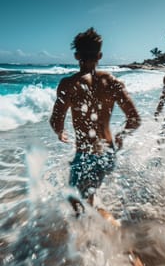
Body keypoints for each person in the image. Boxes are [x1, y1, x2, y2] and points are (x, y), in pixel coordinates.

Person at [50, 27, 141, 211]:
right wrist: (121, 135)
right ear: (99, 56)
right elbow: (134, 119)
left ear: (76, 56)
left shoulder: (69, 85)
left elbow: (55, 120)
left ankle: (106, 230)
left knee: (76, 203)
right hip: (108, 153)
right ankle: (96, 229)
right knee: (86, 196)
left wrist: (60, 132)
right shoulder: (113, 83)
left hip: (84, 154)